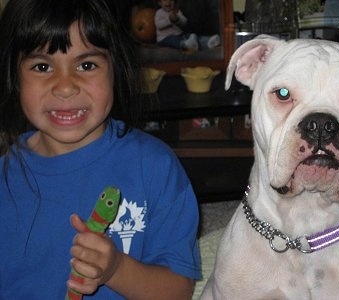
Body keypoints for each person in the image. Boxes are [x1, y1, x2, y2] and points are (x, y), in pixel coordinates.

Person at [0, 0, 201, 299]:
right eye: (42, 66)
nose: (65, 86)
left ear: (115, 70)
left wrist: (117, 269)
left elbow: (178, 290)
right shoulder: (5, 175)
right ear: (15, 77)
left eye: (86, 65)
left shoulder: (155, 166)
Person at [155, 0, 220, 51]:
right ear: (159, 3)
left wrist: (177, 19)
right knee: (173, 40)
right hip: (165, 38)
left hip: (180, 35)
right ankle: (185, 45)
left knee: (191, 36)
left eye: (171, 0)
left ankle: (207, 41)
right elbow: (159, 25)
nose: (168, 2)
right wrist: (170, 20)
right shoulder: (159, 13)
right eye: (165, 0)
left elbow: (184, 22)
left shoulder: (177, 12)